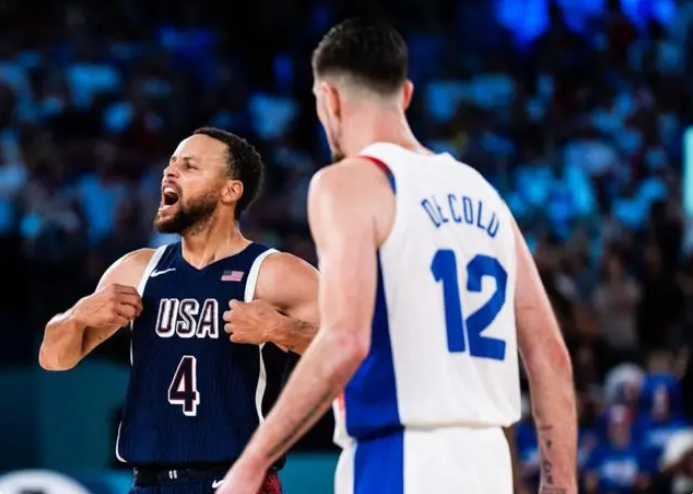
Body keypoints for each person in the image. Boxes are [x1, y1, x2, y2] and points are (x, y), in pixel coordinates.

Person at [217, 19, 578, 494]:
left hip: (401, 457)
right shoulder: (486, 195)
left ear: (329, 99)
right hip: (490, 463)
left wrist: (251, 463)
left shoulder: (348, 182)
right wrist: (561, 484)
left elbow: (345, 341)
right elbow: (550, 355)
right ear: (405, 95)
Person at [39, 127, 320, 494]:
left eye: (189, 166)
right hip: (148, 482)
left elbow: (357, 348)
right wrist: (78, 315)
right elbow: (53, 359)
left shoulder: (273, 272)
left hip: (235, 479)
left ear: (230, 191)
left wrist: (280, 330)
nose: (169, 172)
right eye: (170, 164)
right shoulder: (138, 269)